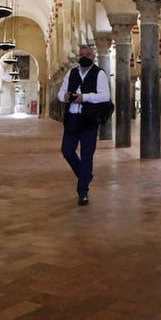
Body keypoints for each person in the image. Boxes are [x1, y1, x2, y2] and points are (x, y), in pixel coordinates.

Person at [57, 44, 111, 206]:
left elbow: (105, 96)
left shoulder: (99, 74)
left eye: (88, 54)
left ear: (93, 56)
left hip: (89, 119)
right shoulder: (71, 73)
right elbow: (60, 94)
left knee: (87, 155)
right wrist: (66, 97)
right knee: (67, 150)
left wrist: (84, 97)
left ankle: (83, 190)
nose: (84, 57)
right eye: (82, 54)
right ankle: (85, 175)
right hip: (72, 118)